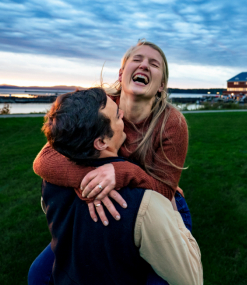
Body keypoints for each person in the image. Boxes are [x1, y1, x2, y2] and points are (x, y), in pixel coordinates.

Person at [29, 41, 192, 285]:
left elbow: (165, 190)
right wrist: (90, 184)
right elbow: (44, 160)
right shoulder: (100, 104)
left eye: (154, 63)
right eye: (137, 60)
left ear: (161, 86)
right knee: (39, 276)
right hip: (116, 210)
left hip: (160, 211)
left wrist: (120, 171)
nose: (144, 65)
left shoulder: (171, 123)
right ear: (121, 73)